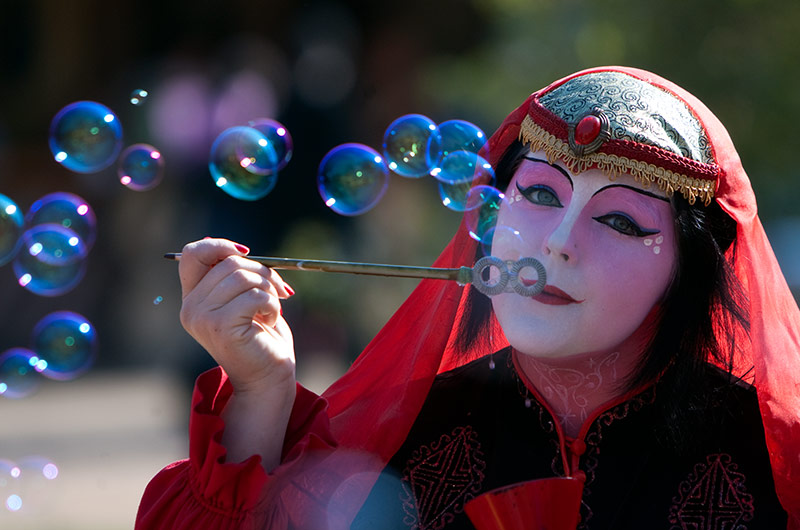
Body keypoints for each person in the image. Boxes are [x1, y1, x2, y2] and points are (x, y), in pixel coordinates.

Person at [136, 66, 800, 529]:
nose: (558, 243)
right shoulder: (391, 445)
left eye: (620, 220)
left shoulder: (778, 466)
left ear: (691, 267)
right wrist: (259, 392)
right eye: (539, 195)